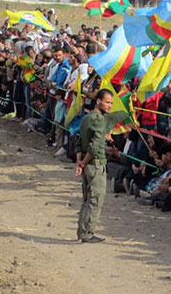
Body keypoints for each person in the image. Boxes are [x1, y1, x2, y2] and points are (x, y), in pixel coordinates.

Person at [75, 89, 114, 243]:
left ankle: (83, 231)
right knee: (95, 199)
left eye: (111, 103)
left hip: (88, 164)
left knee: (87, 200)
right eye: (107, 102)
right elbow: (94, 146)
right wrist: (83, 162)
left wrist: (80, 161)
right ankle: (87, 233)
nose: (110, 106)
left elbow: (79, 141)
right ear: (98, 101)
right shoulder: (99, 120)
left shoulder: (87, 118)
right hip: (95, 164)